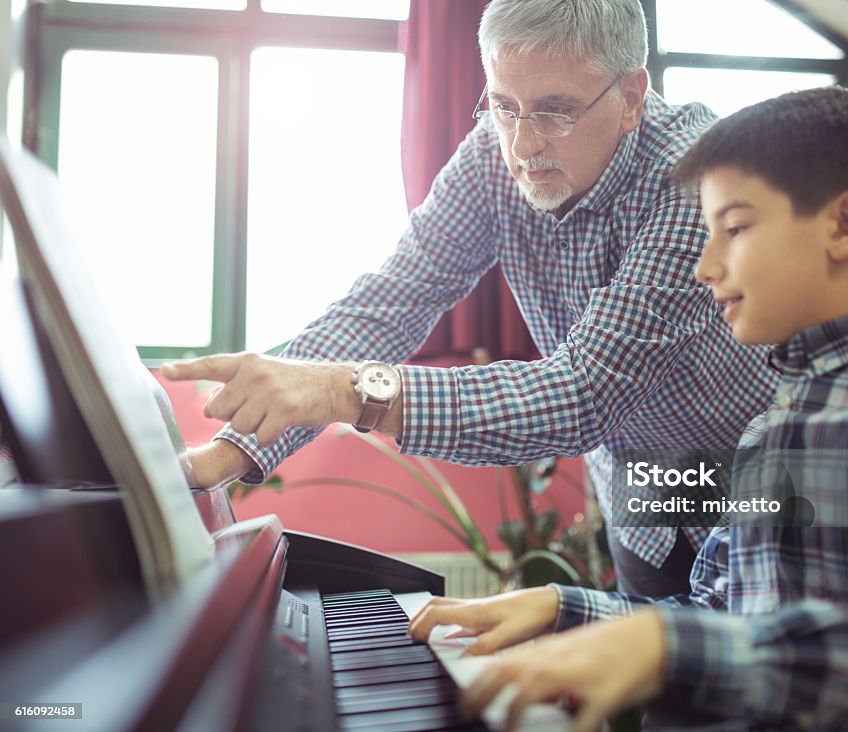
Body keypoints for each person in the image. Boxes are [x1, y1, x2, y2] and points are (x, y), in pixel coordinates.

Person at [409, 87, 848, 730]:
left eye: (734, 228)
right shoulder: (765, 433)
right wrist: (562, 608)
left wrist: (669, 650)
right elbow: (723, 615)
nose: (704, 266)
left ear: (844, 226)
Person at [161, 0, 776, 596]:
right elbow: (395, 298)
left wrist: (337, 390)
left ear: (632, 98)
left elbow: (584, 393)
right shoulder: (493, 154)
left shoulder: (695, 177)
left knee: (775, 683)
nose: (523, 144)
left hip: (759, 479)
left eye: (556, 111)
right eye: (504, 106)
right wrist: (233, 447)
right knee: (664, 693)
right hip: (640, 491)